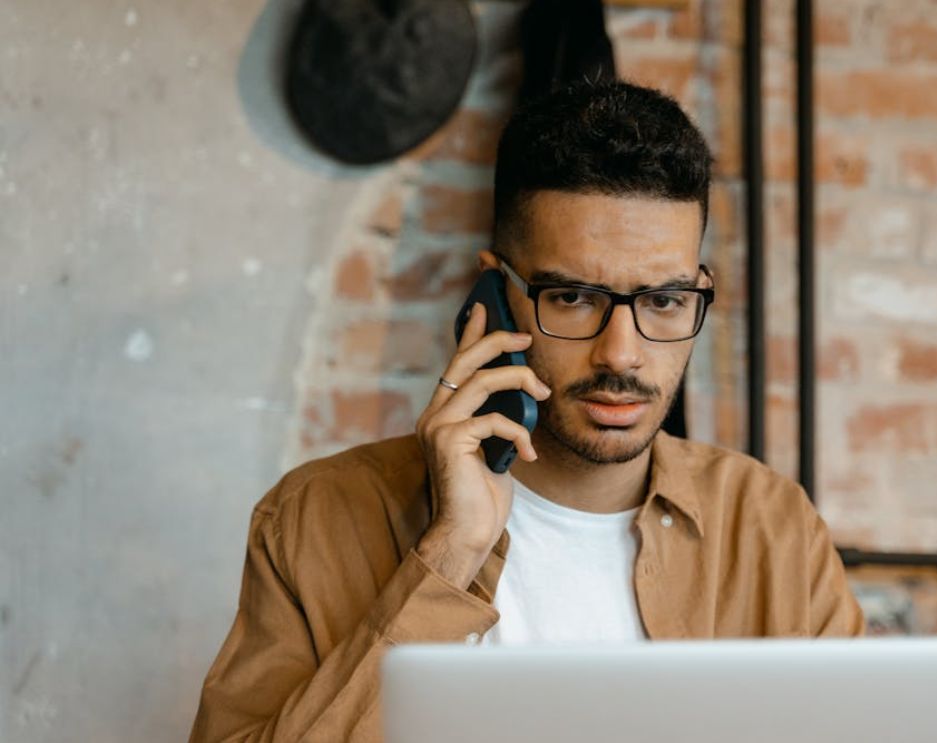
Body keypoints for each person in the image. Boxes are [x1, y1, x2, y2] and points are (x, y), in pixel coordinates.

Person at [190, 80, 863, 742]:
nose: (621, 355)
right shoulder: (316, 517)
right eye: (572, 297)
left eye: (663, 300)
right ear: (496, 293)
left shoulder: (772, 525)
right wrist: (450, 552)